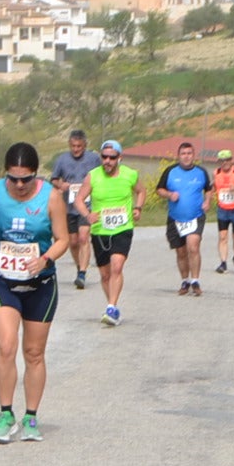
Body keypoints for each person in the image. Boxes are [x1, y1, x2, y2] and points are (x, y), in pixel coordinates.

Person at [0, 142, 72, 443]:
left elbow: (63, 239)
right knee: (6, 346)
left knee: (33, 353)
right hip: (4, 283)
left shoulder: (51, 197)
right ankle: (6, 414)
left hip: (41, 285)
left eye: (26, 179)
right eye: (13, 178)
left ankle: (30, 417)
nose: (19, 185)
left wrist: (45, 259)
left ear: (36, 174)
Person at [79, 137, 144, 325]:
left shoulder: (130, 174)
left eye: (112, 158)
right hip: (100, 229)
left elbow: (141, 191)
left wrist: (138, 208)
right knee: (105, 274)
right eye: (104, 157)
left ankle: (111, 307)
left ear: (119, 158)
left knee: (117, 266)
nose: (107, 161)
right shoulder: (93, 175)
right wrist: (87, 214)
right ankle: (112, 306)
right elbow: (79, 199)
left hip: (123, 227)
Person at [154, 141, 212, 295]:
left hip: (196, 216)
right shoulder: (170, 171)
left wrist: (207, 201)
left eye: (189, 154)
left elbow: (208, 189)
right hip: (175, 218)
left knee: (193, 247)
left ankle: (195, 281)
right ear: (179, 156)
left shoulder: (201, 172)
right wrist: (169, 195)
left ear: (194, 155)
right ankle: (185, 281)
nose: (186, 157)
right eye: (183, 154)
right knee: (181, 252)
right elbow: (159, 189)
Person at [48, 130, 102, 288]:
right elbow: (54, 179)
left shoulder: (94, 159)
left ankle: (82, 274)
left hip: (87, 205)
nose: (76, 149)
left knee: (83, 237)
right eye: (73, 146)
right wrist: (61, 185)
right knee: (72, 242)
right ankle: (80, 266)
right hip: (68, 206)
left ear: (85, 145)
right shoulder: (62, 160)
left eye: (79, 146)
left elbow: (102, 176)